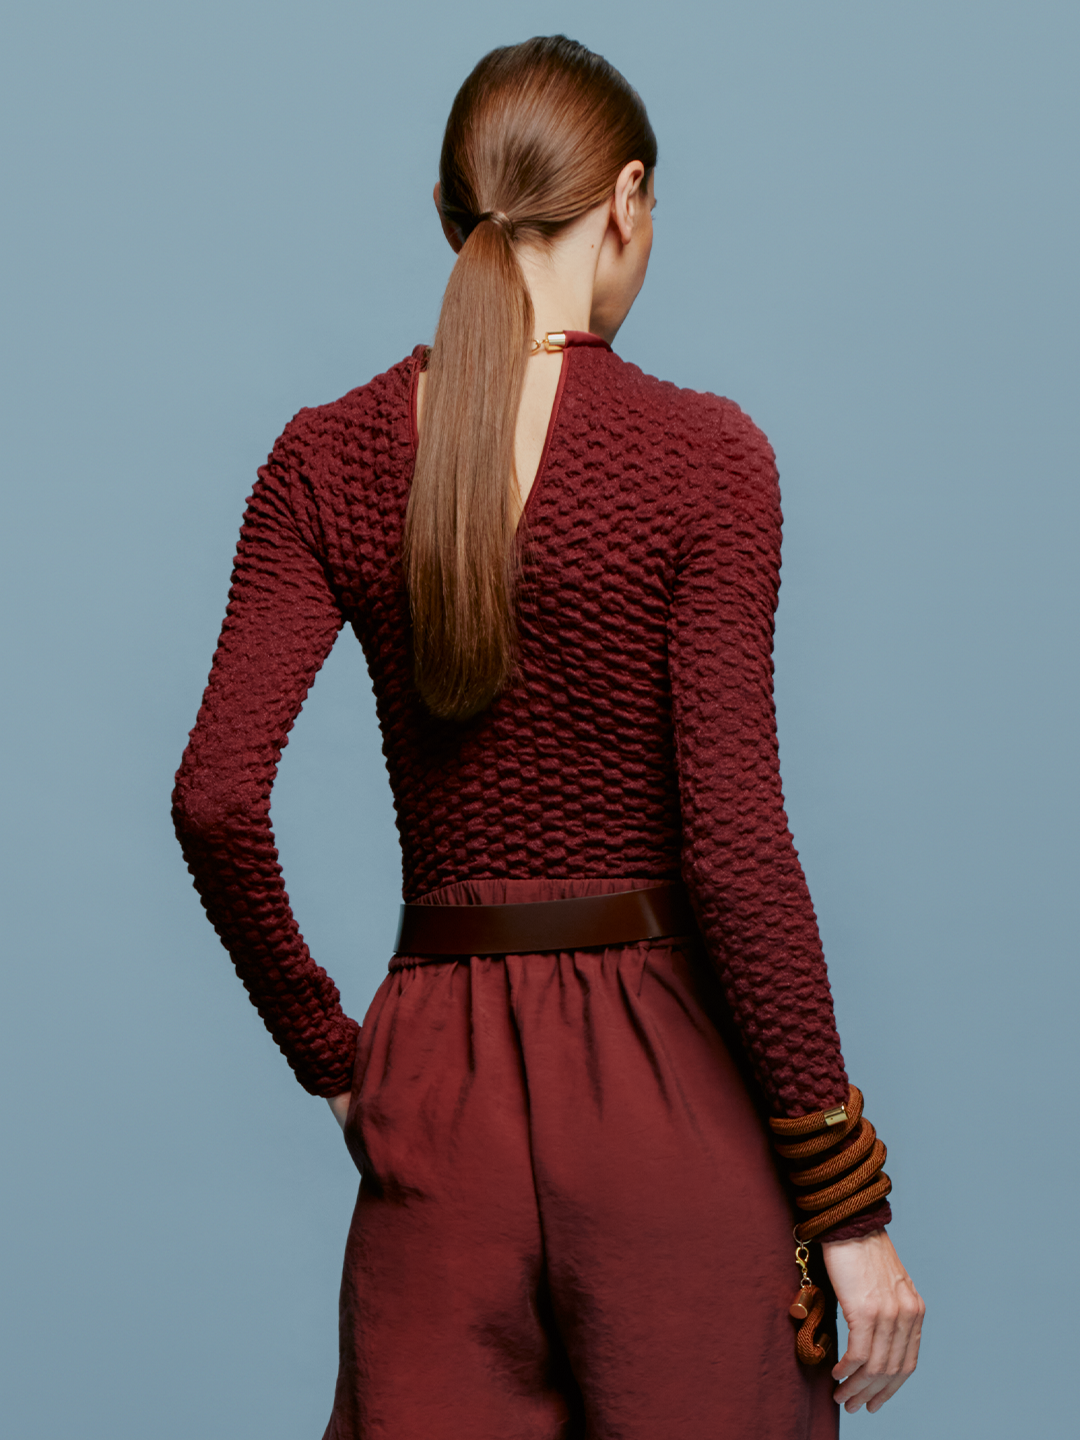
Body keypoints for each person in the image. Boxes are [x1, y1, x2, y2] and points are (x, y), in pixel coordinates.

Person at [173, 33, 924, 1439]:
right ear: (627, 201)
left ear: (452, 215)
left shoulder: (322, 457)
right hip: (665, 1095)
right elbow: (739, 853)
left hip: (433, 1096)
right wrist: (850, 1205)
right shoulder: (706, 457)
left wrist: (336, 1060)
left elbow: (216, 797)